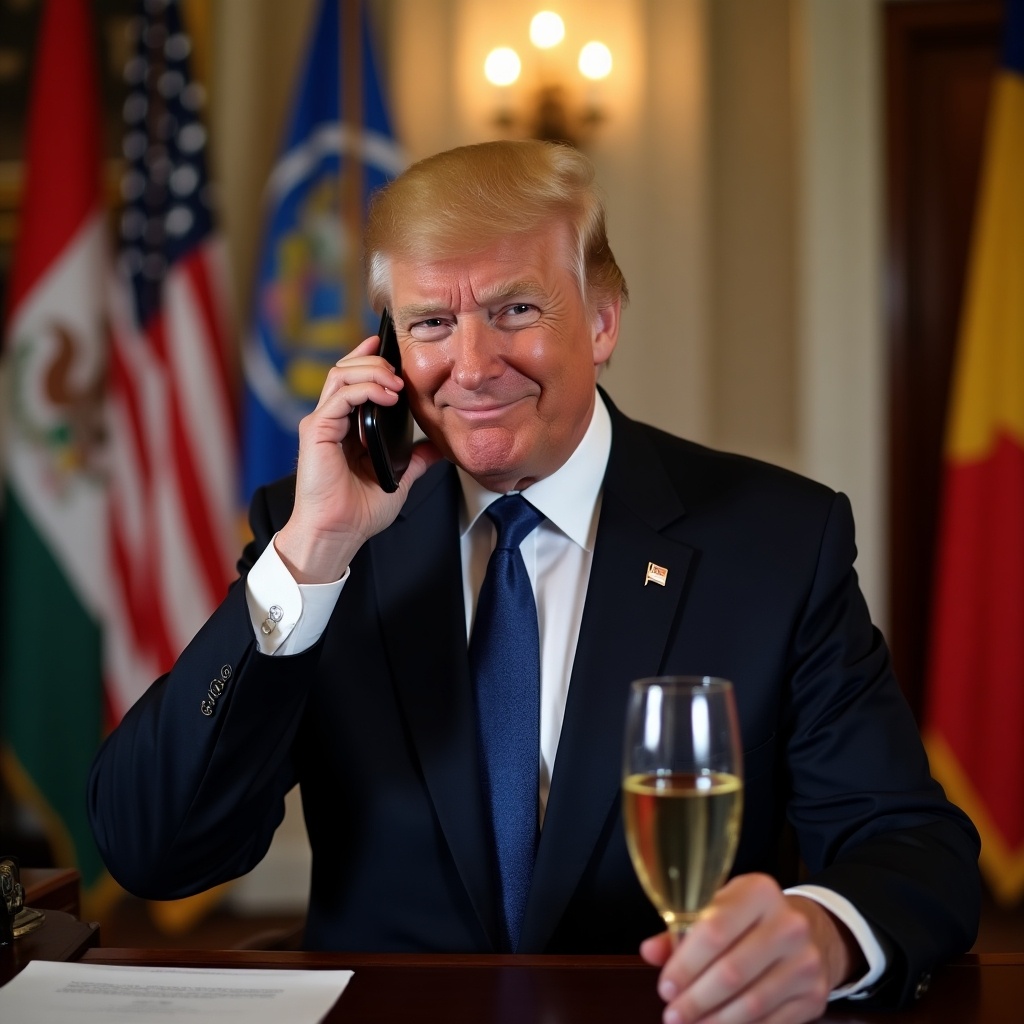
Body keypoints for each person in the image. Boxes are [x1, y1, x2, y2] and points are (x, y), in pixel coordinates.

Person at [89, 140, 980, 1024]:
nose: (471, 367)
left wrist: (820, 934)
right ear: (387, 351)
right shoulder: (323, 530)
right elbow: (154, 848)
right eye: (431, 322)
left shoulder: (777, 539)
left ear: (601, 320)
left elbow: (910, 846)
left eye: (516, 308)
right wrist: (310, 556)